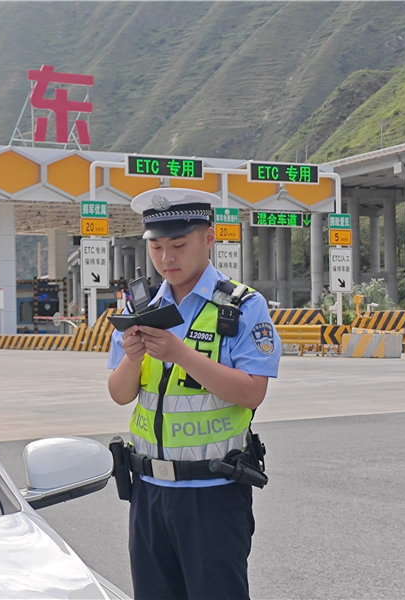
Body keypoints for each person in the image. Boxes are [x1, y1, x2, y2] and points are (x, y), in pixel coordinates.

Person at [107, 188, 281, 600]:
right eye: (156, 247)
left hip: (212, 492)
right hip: (149, 490)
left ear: (209, 237)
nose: (167, 257)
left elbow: (252, 393)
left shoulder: (242, 306)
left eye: (179, 245)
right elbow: (119, 393)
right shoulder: (140, 308)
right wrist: (132, 358)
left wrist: (181, 354)